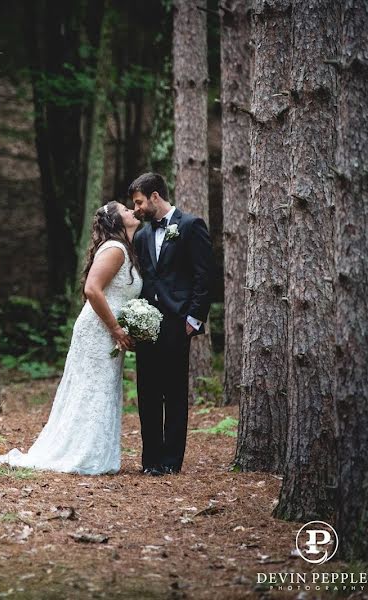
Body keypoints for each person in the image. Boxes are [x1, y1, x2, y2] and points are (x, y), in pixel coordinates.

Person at [0, 201, 142, 474]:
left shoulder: (127, 251)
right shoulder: (116, 249)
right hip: (99, 330)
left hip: (109, 331)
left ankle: (97, 452)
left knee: (103, 388)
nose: (132, 211)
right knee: (91, 388)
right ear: (117, 221)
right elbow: (92, 290)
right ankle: (80, 452)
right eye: (125, 209)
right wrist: (116, 329)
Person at [129, 172, 214, 476]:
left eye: (139, 202)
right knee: (147, 392)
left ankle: (170, 462)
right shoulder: (140, 235)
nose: (136, 209)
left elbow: (205, 276)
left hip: (178, 322)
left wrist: (193, 319)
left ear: (154, 196)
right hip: (146, 325)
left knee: (175, 393)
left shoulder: (191, 226)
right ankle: (150, 460)